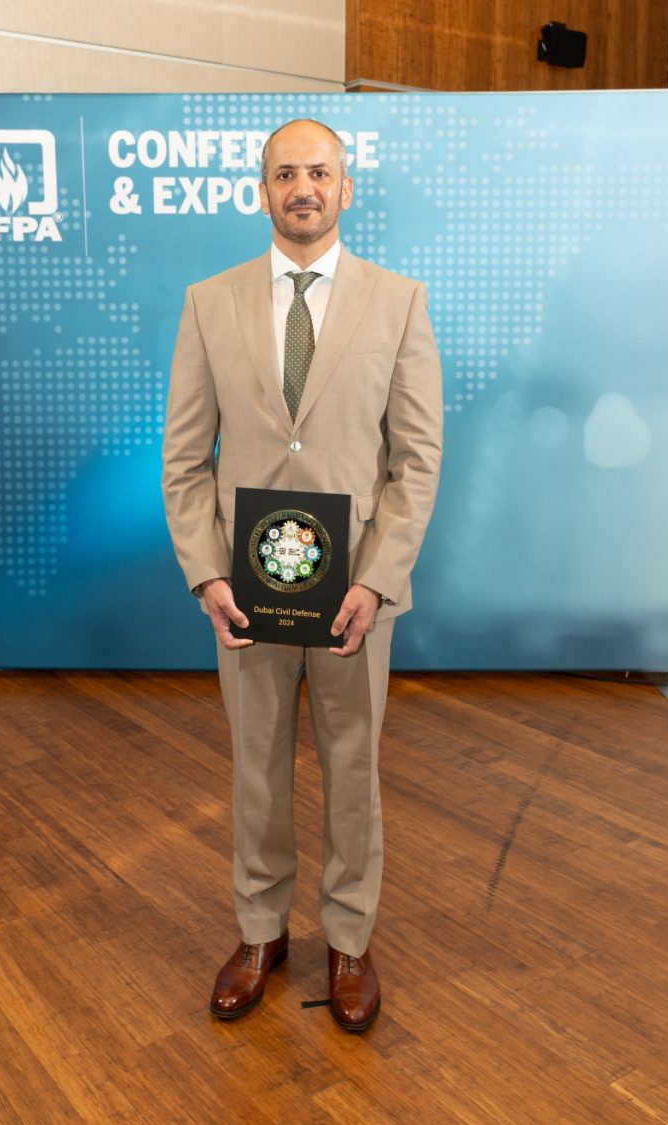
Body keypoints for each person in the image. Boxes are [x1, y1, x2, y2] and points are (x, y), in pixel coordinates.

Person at [162, 118, 442, 1032]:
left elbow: (417, 462)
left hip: (355, 596)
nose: (303, 188)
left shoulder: (399, 302)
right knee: (257, 768)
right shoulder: (209, 303)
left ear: (345, 188)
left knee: (353, 768)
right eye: (285, 174)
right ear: (263, 192)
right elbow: (184, 461)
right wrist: (207, 574)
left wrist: (378, 580)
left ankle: (349, 940)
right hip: (245, 598)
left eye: (319, 172)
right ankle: (260, 933)